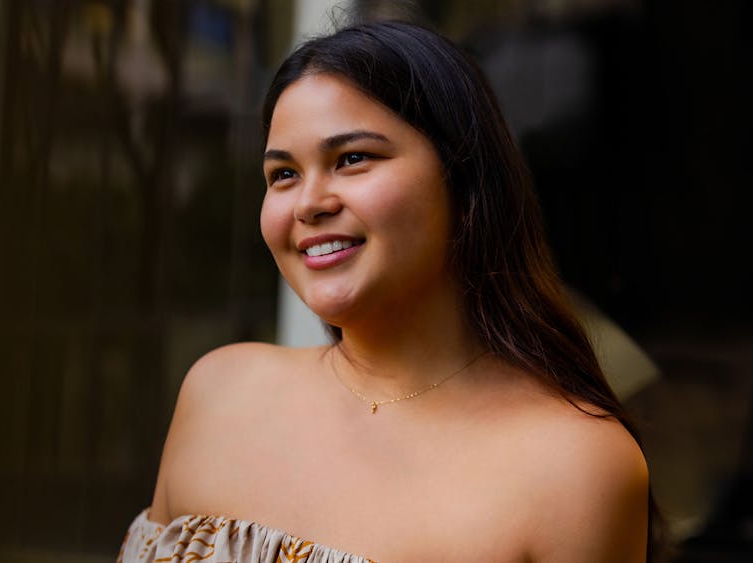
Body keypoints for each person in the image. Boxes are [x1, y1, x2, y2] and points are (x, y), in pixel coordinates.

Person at [119, 20, 654, 563]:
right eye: (282, 173)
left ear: (464, 182)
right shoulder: (218, 394)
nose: (308, 203)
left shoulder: (576, 467)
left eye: (352, 159)